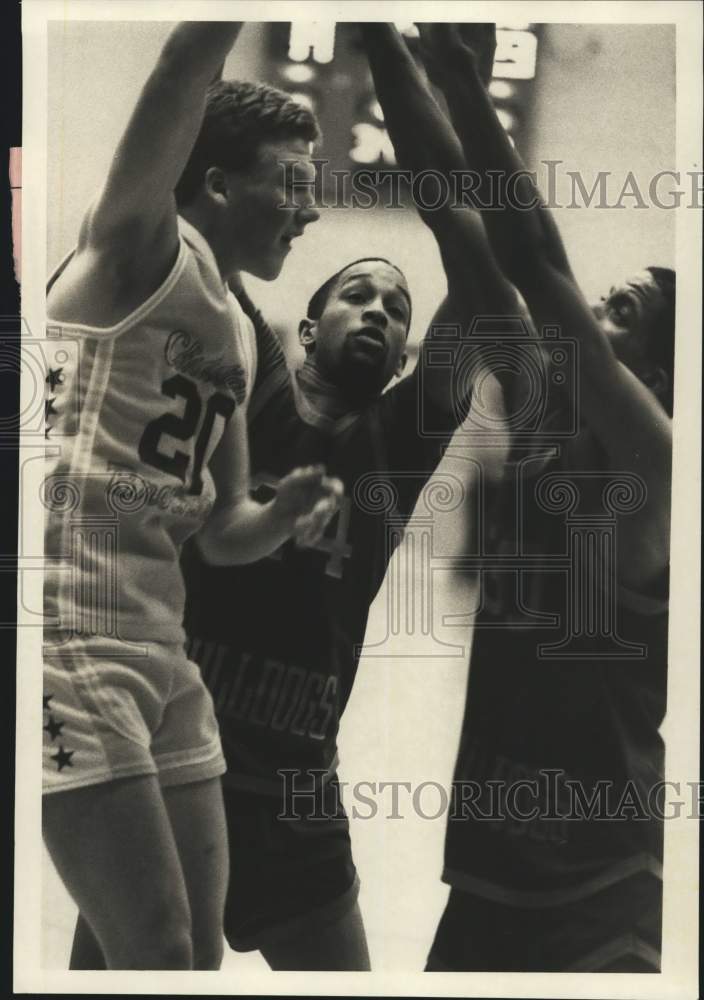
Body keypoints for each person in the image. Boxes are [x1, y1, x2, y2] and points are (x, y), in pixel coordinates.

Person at [43, 21, 342, 971]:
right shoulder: (138, 245)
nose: (310, 211)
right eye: (293, 184)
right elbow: (185, 58)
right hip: (65, 628)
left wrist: (282, 515)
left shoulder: (242, 332)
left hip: (161, 645)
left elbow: (223, 533)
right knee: (158, 952)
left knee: (195, 958)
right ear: (215, 182)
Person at [411, 24, 673, 972]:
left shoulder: (656, 457)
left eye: (621, 311)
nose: (592, 312)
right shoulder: (540, 402)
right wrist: (389, 53)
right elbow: (454, 218)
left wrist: (461, 79)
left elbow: (536, 263)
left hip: (600, 880)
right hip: (489, 863)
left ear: (658, 373)